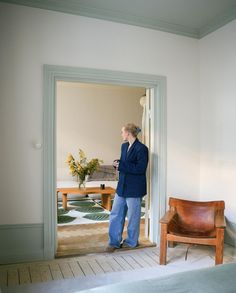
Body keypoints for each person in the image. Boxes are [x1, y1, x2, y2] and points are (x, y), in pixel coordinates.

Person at [106, 123, 149, 252]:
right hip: (122, 187)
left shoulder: (142, 149)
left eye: (122, 132)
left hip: (134, 189)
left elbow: (141, 169)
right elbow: (124, 163)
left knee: (133, 217)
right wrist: (117, 163)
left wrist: (122, 166)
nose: (121, 134)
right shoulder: (124, 146)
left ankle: (131, 242)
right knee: (115, 214)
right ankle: (114, 242)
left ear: (128, 133)